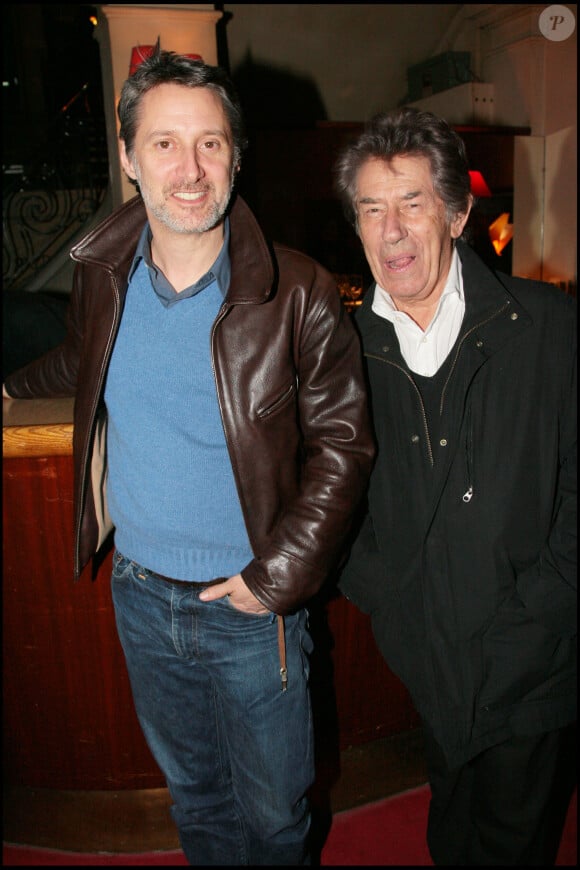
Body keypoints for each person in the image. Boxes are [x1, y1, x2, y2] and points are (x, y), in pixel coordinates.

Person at [3, 50, 374, 865]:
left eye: (210, 142)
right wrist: (6, 389)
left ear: (237, 156)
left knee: (275, 819)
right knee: (197, 802)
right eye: (165, 143)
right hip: (139, 595)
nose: (191, 167)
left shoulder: (297, 293)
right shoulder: (104, 279)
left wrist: (275, 580)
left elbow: (346, 450)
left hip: (252, 609)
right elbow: (81, 359)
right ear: (129, 158)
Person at [334, 107, 577, 866]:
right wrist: (390, 598)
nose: (392, 230)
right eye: (372, 208)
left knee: (514, 841)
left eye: (413, 203)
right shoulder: (341, 351)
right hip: (427, 656)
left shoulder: (548, 328)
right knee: (451, 824)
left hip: (534, 658)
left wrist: (535, 615)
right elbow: (326, 492)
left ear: (460, 214)